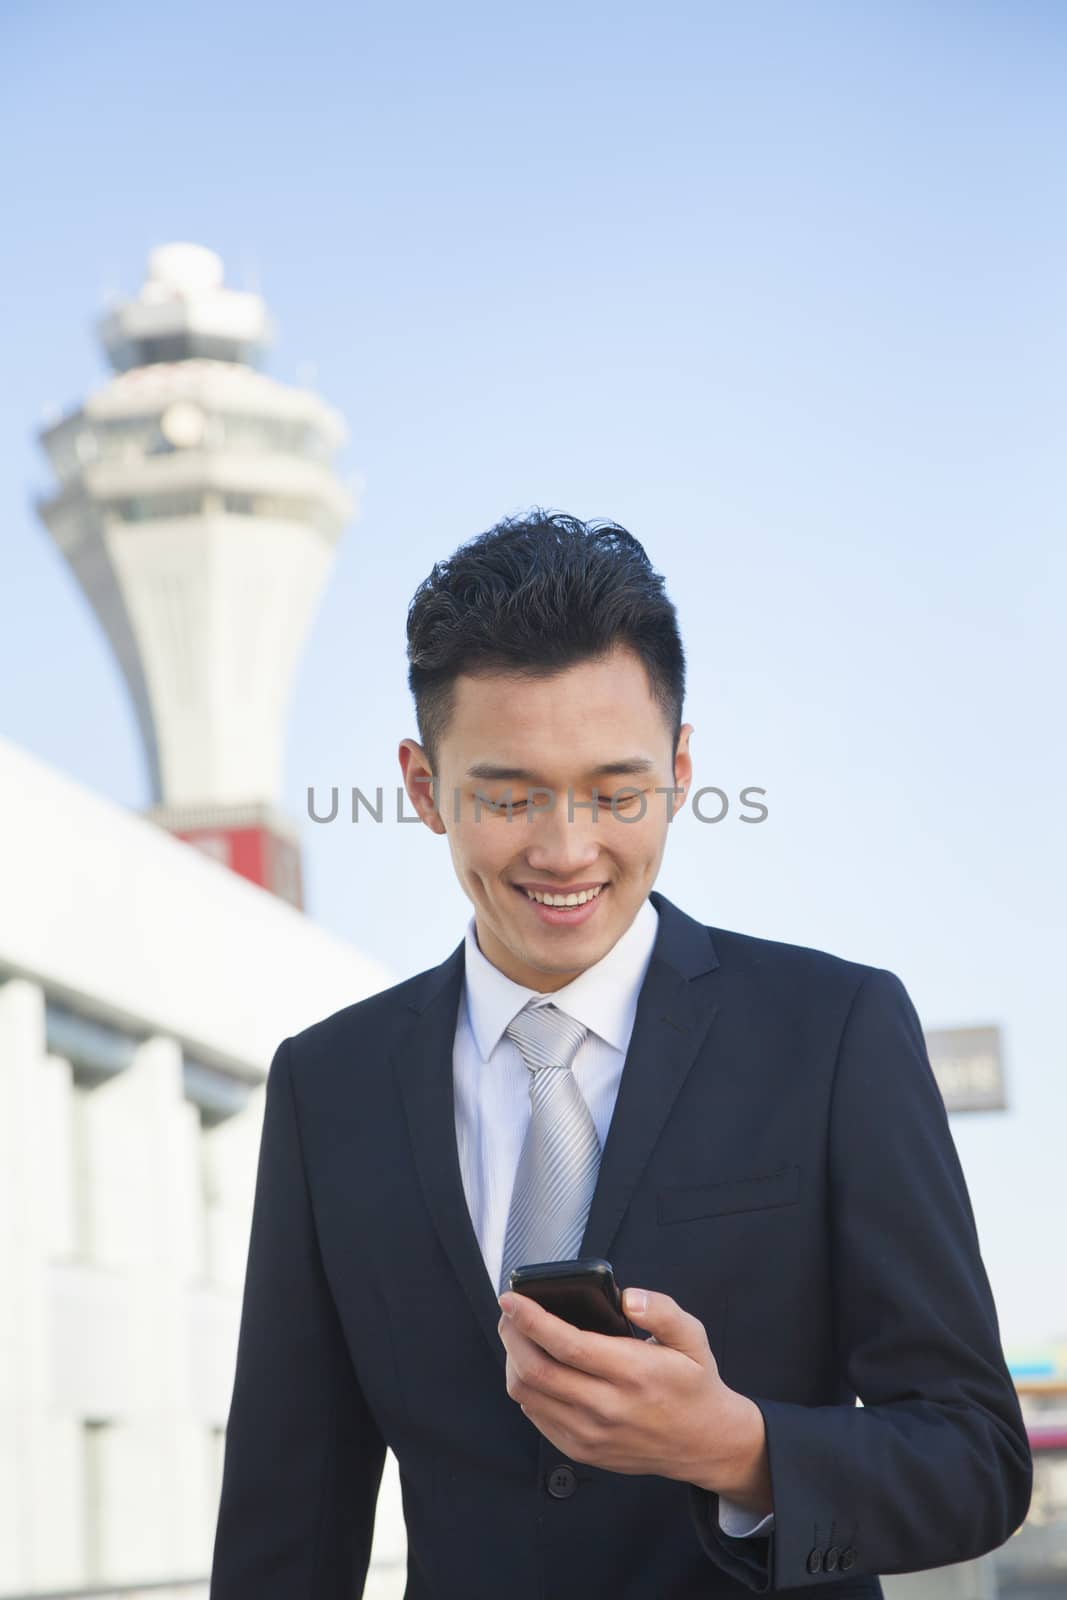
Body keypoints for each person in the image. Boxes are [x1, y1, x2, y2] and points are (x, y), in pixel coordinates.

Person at [209, 510, 1031, 1599]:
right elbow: (284, 1531)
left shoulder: (832, 1032)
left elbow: (976, 1462)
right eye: (506, 795)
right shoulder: (330, 1087)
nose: (564, 848)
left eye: (614, 790)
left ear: (681, 769)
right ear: (420, 787)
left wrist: (734, 1447)